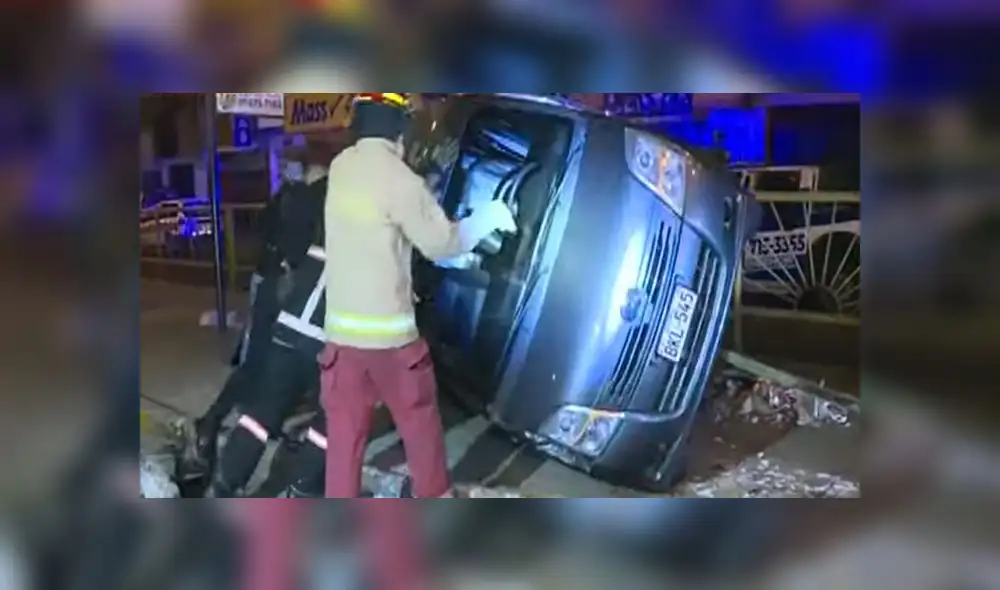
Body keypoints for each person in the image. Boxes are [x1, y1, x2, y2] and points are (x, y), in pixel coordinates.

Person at [319, 92, 517, 498]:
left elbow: (379, 215)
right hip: (390, 341)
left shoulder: (341, 168)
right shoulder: (401, 180)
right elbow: (441, 244)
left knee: (344, 442)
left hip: (341, 340)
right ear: (398, 128)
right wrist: (489, 217)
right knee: (419, 427)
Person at [204, 141, 332, 497]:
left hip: (289, 313)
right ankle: (301, 487)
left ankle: (224, 482)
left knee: (261, 405)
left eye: (290, 162)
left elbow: (275, 236)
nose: (286, 168)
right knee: (332, 417)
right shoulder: (317, 200)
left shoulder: (304, 198)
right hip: (317, 328)